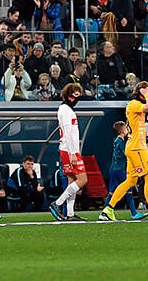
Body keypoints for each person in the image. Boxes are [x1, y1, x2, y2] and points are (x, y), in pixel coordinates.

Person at [99, 82, 148, 221]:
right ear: (141, 92)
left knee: (130, 181)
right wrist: (146, 95)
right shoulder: (134, 104)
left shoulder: (135, 105)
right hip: (137, 148)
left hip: (134, 147)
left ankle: (108, 210)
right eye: (147, 92)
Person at [48, 83, 88, 221]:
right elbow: (68, 132)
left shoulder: (66, 109)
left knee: (72, 181)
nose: (77, 98)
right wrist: (72, 153)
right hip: (69, 150)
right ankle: (57, 203)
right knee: (82, 179)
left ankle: (70, 213)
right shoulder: (66, 110)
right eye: (75, 95)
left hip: (68, 149)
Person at [104, 121, 148, 220]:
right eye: (126, 128)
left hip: (114, 168)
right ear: (122, 130)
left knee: (112, 191)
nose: (128, 129)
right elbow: (127, 154)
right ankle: (134, 213)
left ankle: (104, 213)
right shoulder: (121, 142)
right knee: (128, 190)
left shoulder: (116, 140)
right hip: (120, 169)